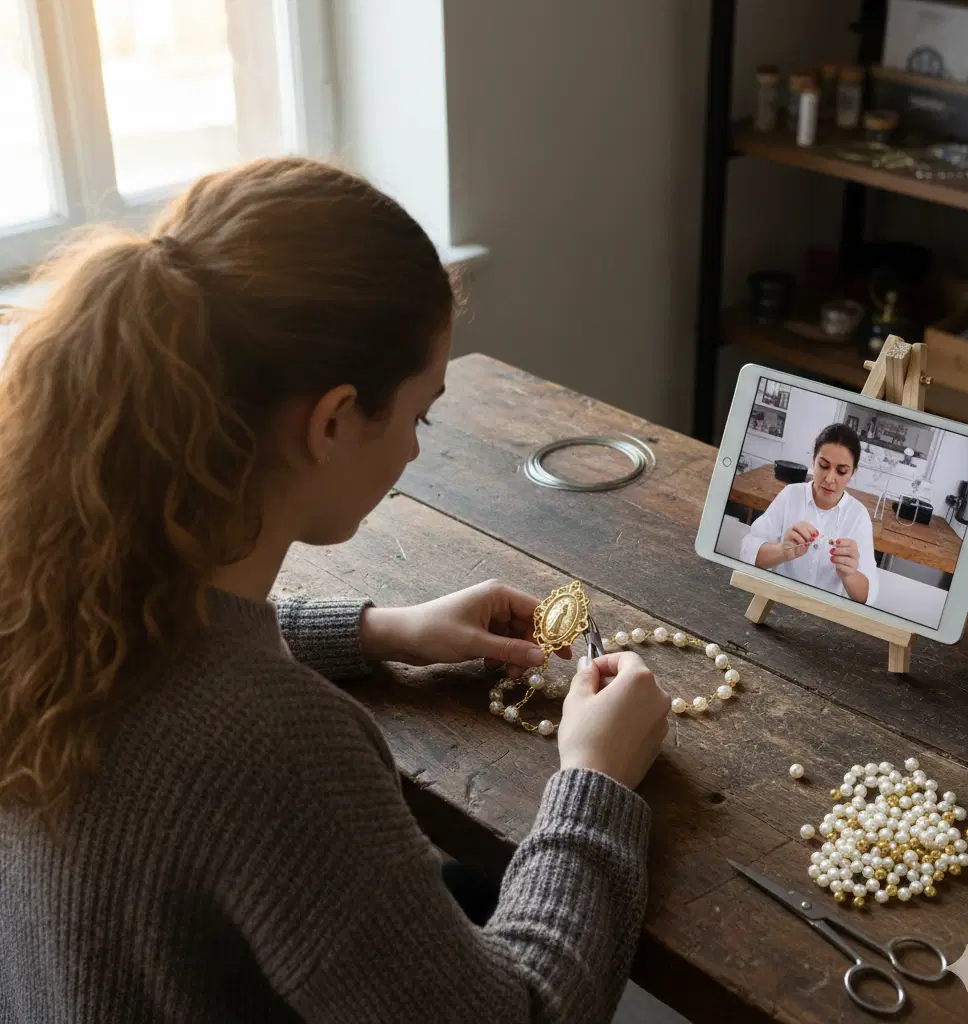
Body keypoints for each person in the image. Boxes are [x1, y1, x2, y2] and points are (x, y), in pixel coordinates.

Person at [0, 158, 672, 1023]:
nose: (417, 452)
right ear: (329, 422)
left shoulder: (43, 585)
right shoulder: (279, 749)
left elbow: (177, 660)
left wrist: (381, 629)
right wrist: (596, 778)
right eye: (419, 414)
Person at [739, 423, 879, 605]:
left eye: (841, 471)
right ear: (813, 461)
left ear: (852, 473)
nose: (829, 479)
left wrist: (850, 574)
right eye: (823, 466)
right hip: (777, 602)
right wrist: (782, 551)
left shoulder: (858, 515)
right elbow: (747, 551)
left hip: (825, 616)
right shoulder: (791, 495)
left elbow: (868, 595)